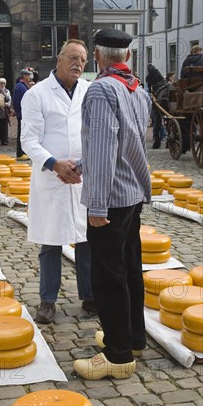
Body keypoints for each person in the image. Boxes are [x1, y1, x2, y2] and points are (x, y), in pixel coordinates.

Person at [71, 29, 151, 381]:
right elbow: (127, 144)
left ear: (98, 58)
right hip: (132, 192)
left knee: (107, 276)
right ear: (128, 58)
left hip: (111, 199)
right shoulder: (138, 91)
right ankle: (132, 338)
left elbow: (105, 147)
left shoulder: (102, 89)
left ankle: (117, 355)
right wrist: (84, 164)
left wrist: (98, 206)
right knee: (131, 269)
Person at [20, 39, 95, 324]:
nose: (78, 64)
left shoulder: (89, 91)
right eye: (73, 58)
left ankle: (89, 295)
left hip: (81, 175)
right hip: (51, 178)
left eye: (84, 60)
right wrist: (55, 164)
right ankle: (47, 300)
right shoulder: (37, 94)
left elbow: (93, 134)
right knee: (51, 243)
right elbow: (28, 140)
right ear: (59, 59)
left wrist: (82, 166)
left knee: (87, 239)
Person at [13, 69, 32, 160]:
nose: (30, 77)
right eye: (28, 75)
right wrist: (19, 112)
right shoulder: (20, 86)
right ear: (24, 76)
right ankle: (20, 153)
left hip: (25, 114)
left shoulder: (23, 86)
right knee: (21, 133)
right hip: (22, 114)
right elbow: (16, 102)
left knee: (24, 133)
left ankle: (23, 152)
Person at [146, 64, 165, 149]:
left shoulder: (148, 77)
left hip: (156, 95)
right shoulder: (157, 73)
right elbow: (163, 81)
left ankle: (157, 139)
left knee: (156, 119)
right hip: (162, 89)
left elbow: (150, 88)